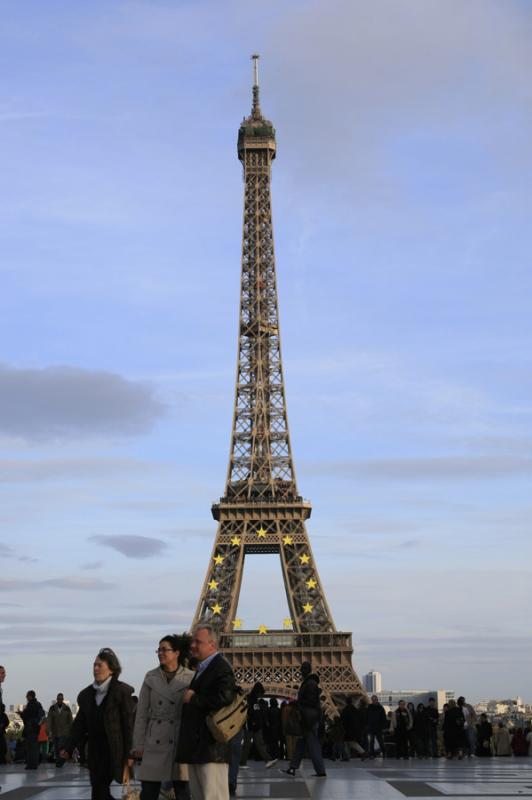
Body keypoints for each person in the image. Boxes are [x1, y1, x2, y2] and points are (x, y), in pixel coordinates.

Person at [62, 647, 134, 800]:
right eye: (94, 665)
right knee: (98, 790)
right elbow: (79, 725)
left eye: (99, 665)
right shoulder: (87, 695)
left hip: (114, 750)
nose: (95, 668)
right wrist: (68, 747)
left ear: (112, 669)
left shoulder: (121, 692)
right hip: (95, 752)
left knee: (99, 790)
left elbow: (128, 725)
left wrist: (129, 753)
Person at [176, 624, 237, 800]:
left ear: (212, 645)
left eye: (198, 642)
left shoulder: (220, 667)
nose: (192, 645)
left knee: (213, 796)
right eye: (193, 641)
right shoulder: (204, 668)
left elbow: (225, 698)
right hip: (200, 747)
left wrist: (194, 698)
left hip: (211, 749)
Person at [131, 633, 194, 800]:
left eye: (164, 650)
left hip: (180, 740)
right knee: (149, 792)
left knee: (183, 793)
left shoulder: (190, 677)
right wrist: (138, 744)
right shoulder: (150, 677)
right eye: (158, 650)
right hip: (155, 742)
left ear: (177, 653)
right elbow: (142, 713)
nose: (160, 653)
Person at [281, 661, 326, 778]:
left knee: (313, 745)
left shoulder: (310, 683)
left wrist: (298, 703)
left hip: (309, 719)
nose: (301, 671)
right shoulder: (309, 683)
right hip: (308, 718)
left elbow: (310, 702)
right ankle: (293, 768)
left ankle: (320, 770)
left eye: (303, 669)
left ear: (307, 670)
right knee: (301, 744)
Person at [19, 690, 45, 769]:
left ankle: (31, 764)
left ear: (30, 696)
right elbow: (42, 716)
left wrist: (21, 714)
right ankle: (33, 764)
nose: (26, 697)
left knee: (31, 747)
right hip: (35, 728)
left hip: (30, 728)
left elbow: (26, 716)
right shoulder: (38, 704)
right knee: (34, 747)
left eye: (27, 696)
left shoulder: (31, 705)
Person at [48, 693, 73, 767]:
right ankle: (58, 761)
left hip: (64, 732)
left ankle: (60, 762)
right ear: (57, 699)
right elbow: (49, 720)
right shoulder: (52, 708)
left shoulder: (67, 708)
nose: (59, 700)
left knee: (61, 747)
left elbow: (70, 720)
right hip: (55, 731)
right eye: (58, 699)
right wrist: (49, 730)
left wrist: (71, 730)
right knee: (56, 747)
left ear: (63, 699)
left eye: (61, 699)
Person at [367, 694, 387, 758]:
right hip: (372, 727)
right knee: (371, 742)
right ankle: (372, 754)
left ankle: (384, 752)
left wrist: (383, 727)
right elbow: (366, 717)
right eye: (373, 700)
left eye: (375, 700)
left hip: (378, 727)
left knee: (380, 741)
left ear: (377, 700)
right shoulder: (369, 707)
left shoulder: (380, 708)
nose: (374, 701)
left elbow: (383, 718)